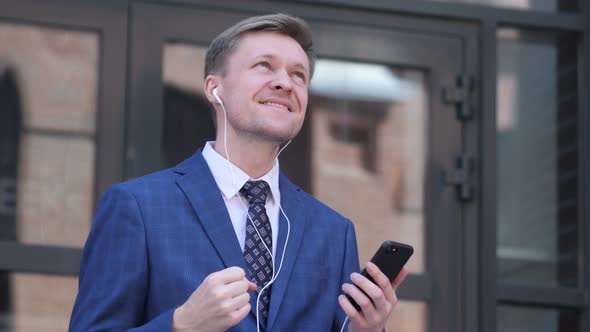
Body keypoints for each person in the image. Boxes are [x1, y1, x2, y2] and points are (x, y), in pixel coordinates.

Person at [69, 13, 408, 332]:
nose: (284, 83)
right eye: (264, 66)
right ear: (214, 89)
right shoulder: (136, 207)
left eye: (298, 75)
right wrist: (181, 323)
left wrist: (367, 329)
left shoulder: (334, 231)